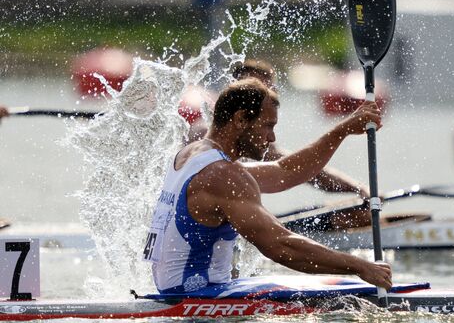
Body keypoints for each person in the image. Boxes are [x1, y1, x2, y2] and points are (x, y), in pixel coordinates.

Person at [143, 78, 391, 294]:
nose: (272, 138)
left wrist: (342, 130)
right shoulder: (222, 175)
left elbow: (284, 171)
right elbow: (280, 246)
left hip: (176, 291)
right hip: (194, 299)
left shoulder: (194, 155)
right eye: (268, 126)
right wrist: (360, 266)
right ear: (240, 119)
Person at [183, 59, 371, 203]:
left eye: (269, 90)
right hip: (207, 219)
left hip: (232, 212)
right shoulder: (204, 133)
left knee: (355, 216)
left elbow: (289, 168)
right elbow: (287, 172)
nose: (267, 98)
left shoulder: (251, 136)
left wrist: (356, 187)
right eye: (257, 91)